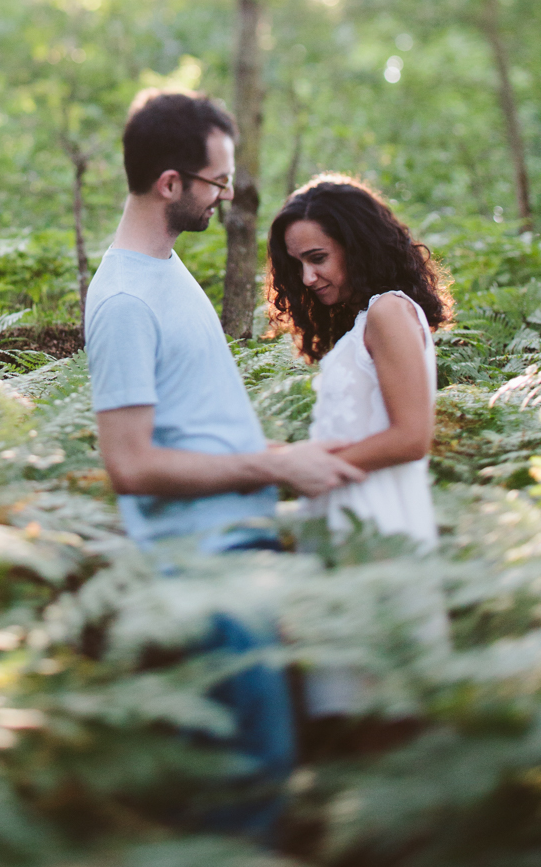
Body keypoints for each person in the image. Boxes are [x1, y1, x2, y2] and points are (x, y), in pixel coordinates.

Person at [84, 92, 366, 828]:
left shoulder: (170, 275)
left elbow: (202, 435)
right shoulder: (122, 302)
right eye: (218, 183)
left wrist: (291, 456)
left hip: (239, 557)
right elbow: (133, 465)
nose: (227, 199)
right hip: (199, 573)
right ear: (171, 183)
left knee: (271, 767)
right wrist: (276, 469)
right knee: (248, 781)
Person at [266, 174, 451, 717]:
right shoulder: (365, 322)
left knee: (382, 715)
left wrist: (305, 465)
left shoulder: (390, 312)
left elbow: (411, 437)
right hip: (346, 526)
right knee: (350, 717)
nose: (308, 276)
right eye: (298, 264)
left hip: (379, 532)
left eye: (318, 257)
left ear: (358, 243)